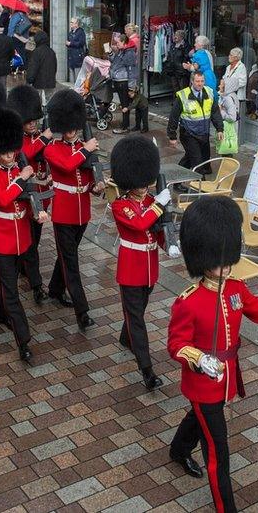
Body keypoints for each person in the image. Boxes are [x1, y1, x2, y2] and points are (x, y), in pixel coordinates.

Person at [168, 196, 258, 512]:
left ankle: (178, 449)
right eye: (220, 260)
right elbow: (176, 345)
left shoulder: (235, 289)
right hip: (203, 384)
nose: (227, 265)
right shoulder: (187, 301)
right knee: (218, 451)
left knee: (200, 417)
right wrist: (200, 361)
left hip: (226, 378)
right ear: (202, 258)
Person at [0, 107, 51, 363]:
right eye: (5, 152)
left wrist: (37, 213)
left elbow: (29, 199)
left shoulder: (23, 168)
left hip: (23, 235)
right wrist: (21, 178)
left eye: (12, 150)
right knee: (12, 292)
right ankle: (24, 341)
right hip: (1, 240)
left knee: (7, 286)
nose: (10, 155)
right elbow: (2, 198)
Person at [109, 135, 174, 390]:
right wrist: (159, 205)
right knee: (138, 320)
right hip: (131, 269)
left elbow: (155, 230)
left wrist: (169, 243)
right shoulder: (120, 205)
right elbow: (139, 223)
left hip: (149, 269)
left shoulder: (148, 201)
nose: (145, 187)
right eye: (141, 183)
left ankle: (126, 338)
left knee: (137, 313)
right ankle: (147, 371)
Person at [44, 90, 106, 331]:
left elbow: (88, 180)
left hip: (82, 212)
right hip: (63, 213)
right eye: (68, 128)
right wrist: (87, 150)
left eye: (74, 127)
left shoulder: (84, 146)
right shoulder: (53, 149)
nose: (71, 131)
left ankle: (55, 289)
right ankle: (83, 311)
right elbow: (69, 166)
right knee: (72, 262)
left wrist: (98, 186)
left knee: (67, 254)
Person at [8, 85, 51, 304]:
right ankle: (36, 285)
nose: (32, 123)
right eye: (28, 120)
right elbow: (26, 152)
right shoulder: (16, 139)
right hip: (25, 198)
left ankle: (27, 268)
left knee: (35, 237)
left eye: (34, 119)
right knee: (31, 243)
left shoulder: (40, 134)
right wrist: (45, 137)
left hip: (43, 195)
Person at [168, 72, 223, 179]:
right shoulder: (183, 95)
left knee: (191, 158)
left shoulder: (209, 92)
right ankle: (201, 187)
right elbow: (173, 116)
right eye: (197, 81)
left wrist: (220, 128)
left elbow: (215, 112)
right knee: (197, 162)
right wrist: (172, 136)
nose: (200, 84)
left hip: (203, 133)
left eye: (202, 81)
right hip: (189, 134)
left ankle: (175, 178)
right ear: (192, 81)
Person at [109, 33, 138, 135]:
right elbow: (114, 62)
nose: (116, 45)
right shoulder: (122, 51)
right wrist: (110, 53)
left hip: (124, 82)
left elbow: (132, 71)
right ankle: (125, 125)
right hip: (119, 80)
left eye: (118, 43)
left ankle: (125, 127)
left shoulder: (129, 53)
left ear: (124, 43)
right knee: (123, 104)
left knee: (125, 105)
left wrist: (131, 86)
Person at [26, 31, 56, 102]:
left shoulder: (36, 52)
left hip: (38, 82)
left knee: (37, 101)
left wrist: (29, 79)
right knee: (50, 100)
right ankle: (49, 112)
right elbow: (55, 67)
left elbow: (33, 67)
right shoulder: (51, 51)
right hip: (50, 81)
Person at [184, 36, 217, 100]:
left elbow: (195, 67)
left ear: (201, 44)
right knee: (211, 96)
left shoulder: (199, 54)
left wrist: (188, 67)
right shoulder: (206, 53)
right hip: (210, 76)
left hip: (204, 77)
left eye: (196, 42)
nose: (194, 44)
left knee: (205, 97)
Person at [220, 47, 247, 123]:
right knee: (225, 116)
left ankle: (233, 134)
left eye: (231, 55)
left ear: (236, 57)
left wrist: (230, 85)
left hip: (235, 96)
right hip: (226, 95)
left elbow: (243, 81)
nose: (229, 56)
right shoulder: (228, 67)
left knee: (233, 118)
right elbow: (224, 78)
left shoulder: (241, 67)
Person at [218, 76, 240, 157]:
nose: (219, 86)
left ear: (227, 86)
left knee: (227, 150)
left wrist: (220, 111)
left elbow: (232, 118)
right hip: (229, 129)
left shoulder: (228, 98)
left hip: (228, 129)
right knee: (227, 150)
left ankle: (227, 168)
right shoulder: (228, 95)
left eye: (221, 85)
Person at [66, 18, 86, 82]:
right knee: (72, 75)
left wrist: (71, 43)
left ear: (76, 24)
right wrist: (67, 43)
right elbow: (68, 42)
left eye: (72, 22)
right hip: (71, 57)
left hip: (77, 57)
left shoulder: (81, 32)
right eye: (70, 22)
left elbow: (81, 43)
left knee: (78, 76)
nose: (70, 24)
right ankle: (72, 89)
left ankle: (77, 90)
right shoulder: (70, 33)